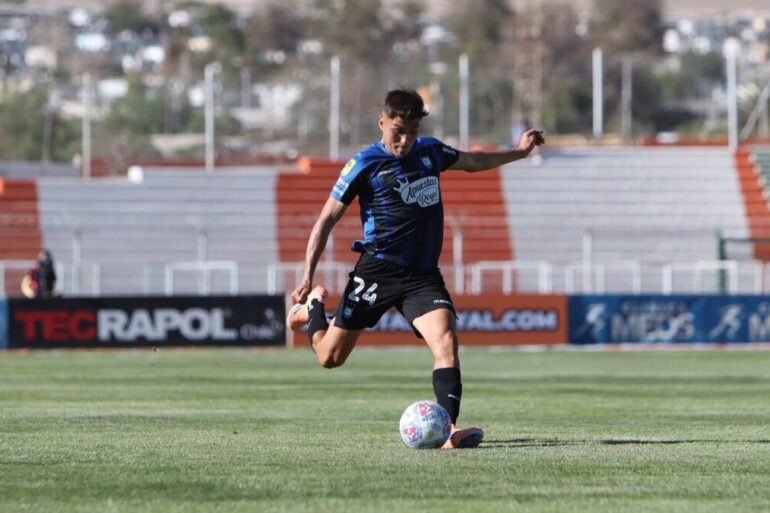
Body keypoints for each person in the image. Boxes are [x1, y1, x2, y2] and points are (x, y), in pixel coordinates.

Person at [287, 89, 544, 449]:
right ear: (382, 123)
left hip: (422, 275)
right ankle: (313, 309)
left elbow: (471, 162)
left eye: (412, 130)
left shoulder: (430, 152)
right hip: (377, 271)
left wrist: (518, 152)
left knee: (446, 340)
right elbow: (325, 221)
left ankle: (447, 429)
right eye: (397, 130)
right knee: (329, 358)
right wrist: (307, 279)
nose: (405, 139)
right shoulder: (363, 163)